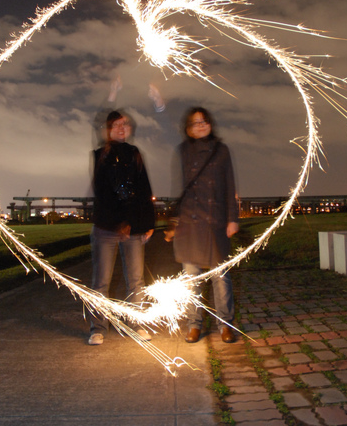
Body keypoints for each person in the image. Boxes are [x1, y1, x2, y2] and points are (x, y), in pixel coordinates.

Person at [170, 107, 239, 344]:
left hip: (215, 221)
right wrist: (175, 221)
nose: (201, 126)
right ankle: (194, 324)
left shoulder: (222, 150)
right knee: (192, 278)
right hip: (190, 222)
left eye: (204, 121)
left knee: (221, 277)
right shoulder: (182, 151)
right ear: (187, 128)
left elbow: (230, 185)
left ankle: (225, 324)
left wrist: (233, 218)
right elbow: (179, 187)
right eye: (195, 122)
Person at [88, 110, 155, 345]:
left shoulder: (135, 154)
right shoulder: (100, 155)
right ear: (107, 130)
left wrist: (147, 224)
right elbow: (103, 193)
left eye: (124, 125)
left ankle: (135, 324)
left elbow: (144, 189)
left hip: (135, 227)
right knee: (101, 281)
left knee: (136, 280)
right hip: (107, 227)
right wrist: (119, 223)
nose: (121, 128)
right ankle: (98, 328)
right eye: (115, 125)